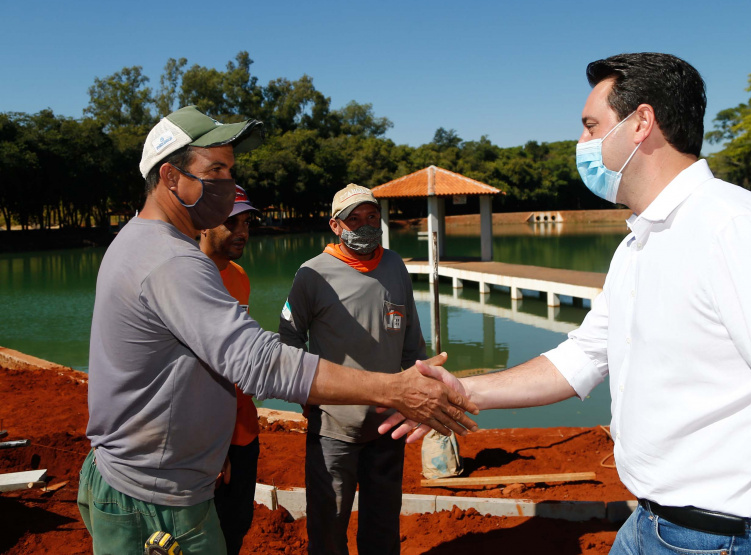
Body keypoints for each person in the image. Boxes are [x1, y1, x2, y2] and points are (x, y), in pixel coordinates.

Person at [385, 53, 751, 554]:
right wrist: (460, 391)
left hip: (729, 539)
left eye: (590, 126)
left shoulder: (738, 230)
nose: (581, 144)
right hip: (649, 524)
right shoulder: (639, 243)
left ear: (641, 122)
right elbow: (582, 358)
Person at [77, 106, 477, 555]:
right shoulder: (173, 261)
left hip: (152, 482)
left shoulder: (139, 242)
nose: (228, 183)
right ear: (171, 178)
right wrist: (392, 390)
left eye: (230, 169)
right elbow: (259, 360)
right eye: (216, 169)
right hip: (156, 502)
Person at [279, 184, 426, 555]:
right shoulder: (312, 274)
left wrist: (411, 396)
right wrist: (306, 395)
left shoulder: (394, 265)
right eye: (354, 219)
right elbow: (289, 339)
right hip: (333, 426)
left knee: (383, 526)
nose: (365, 225)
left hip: (387, 425)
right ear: (335, 225)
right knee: (329, 527)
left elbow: (411, 339)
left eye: (372, 217)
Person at [199, 185, 262, 555]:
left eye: (246, 222)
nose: (242, 231)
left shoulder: (239, 275)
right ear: (203, 223)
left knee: (236, 525)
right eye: (230, 221)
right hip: (208, 437)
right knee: (204, 534)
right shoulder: (187, 279)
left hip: (243, 429)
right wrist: (213, 443)